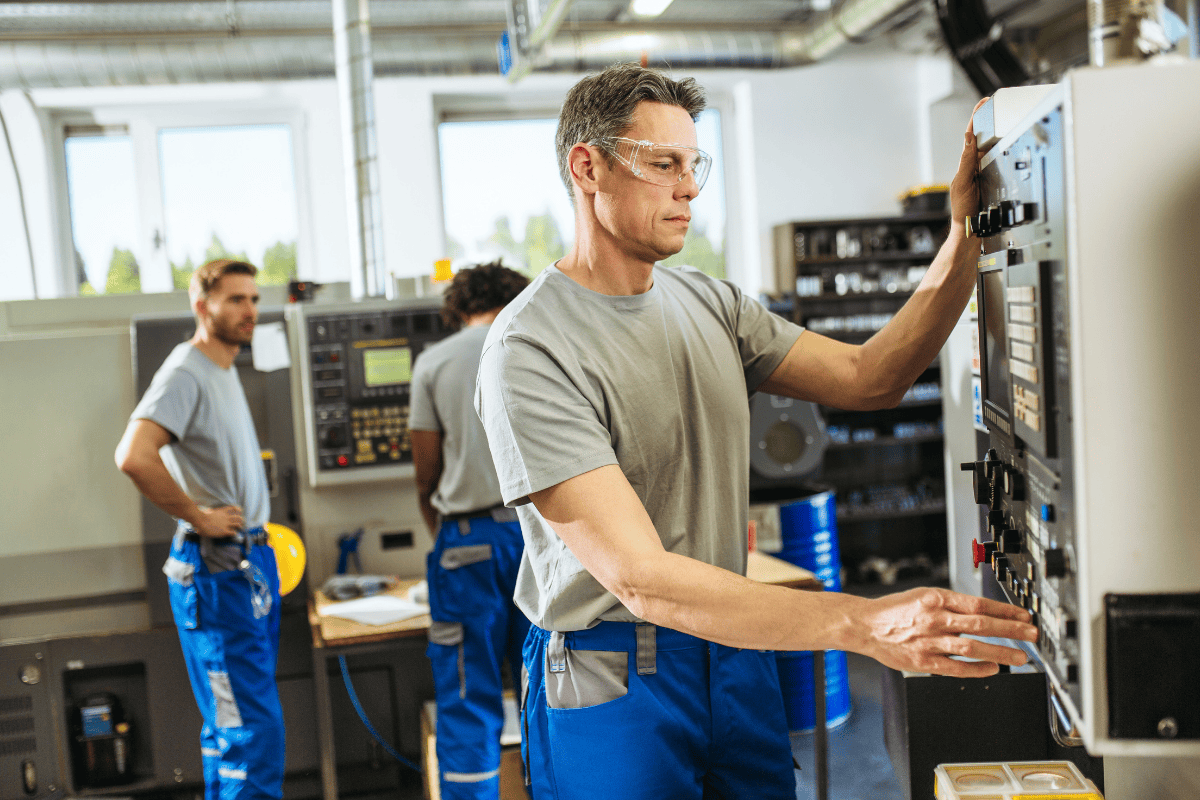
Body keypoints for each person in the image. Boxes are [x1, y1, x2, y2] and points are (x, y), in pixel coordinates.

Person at [473, 63, 1038, 799]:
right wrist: (862, 624)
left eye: (695, 164)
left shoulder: (708, 302)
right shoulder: (530, 349)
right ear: (588, 167)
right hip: (614, 673)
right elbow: (640, 579)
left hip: (735, 650)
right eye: (663, 164)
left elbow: (872, 376)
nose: (690, 187)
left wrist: (965, 233)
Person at [115, 259, 283, 800]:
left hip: (248, 562)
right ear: (201, 305)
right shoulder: (186, 370)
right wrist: (199, 515)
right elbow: (134, 456)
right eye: (235, 299)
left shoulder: (223, 368)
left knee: (231, 728)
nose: (249, 311)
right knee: (251, 735)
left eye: (254, 299)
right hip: (218, 570)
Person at [409, 261, 532, 800]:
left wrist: (448, 532)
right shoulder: (537, 346)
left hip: (468, 544)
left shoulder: (434, 362)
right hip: (539, 540)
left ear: (457, 309)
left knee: (467, 694)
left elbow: (425, 471)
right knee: (548, 688)